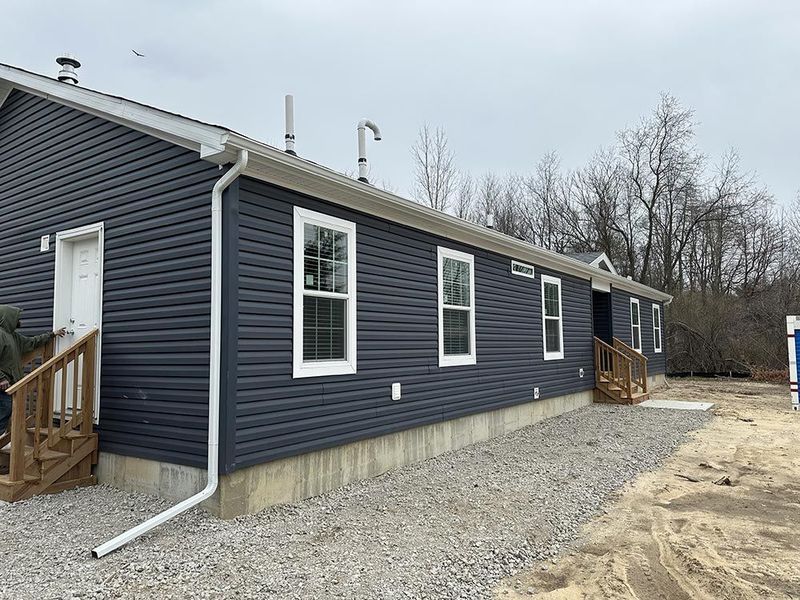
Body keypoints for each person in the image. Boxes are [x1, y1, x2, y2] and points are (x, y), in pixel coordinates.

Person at [0, 305, 66, 435]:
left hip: (11, 384)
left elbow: (32, 342)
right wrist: (1, 378)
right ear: (8, 318)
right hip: (3, 383)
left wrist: (52, 334)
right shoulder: (1, 335)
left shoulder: (13, 336)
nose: (19, 320)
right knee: (5, 411)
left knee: (8, 412)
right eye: (17, 317)